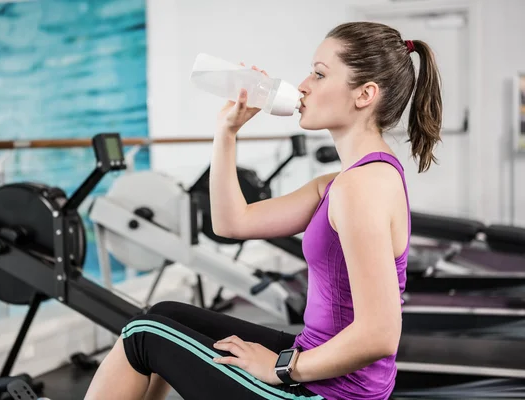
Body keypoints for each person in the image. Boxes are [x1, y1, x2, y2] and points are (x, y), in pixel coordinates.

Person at [84, 21, 442, 400]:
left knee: (142, 335)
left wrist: (279, 368)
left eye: (319, 74)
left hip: (334, 394)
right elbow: (231, 222)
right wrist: (227, 132)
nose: (303, 85)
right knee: (168, 314)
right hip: (316, 359)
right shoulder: (342, 182)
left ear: (365, 94)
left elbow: (381, 334)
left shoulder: (361, 187)